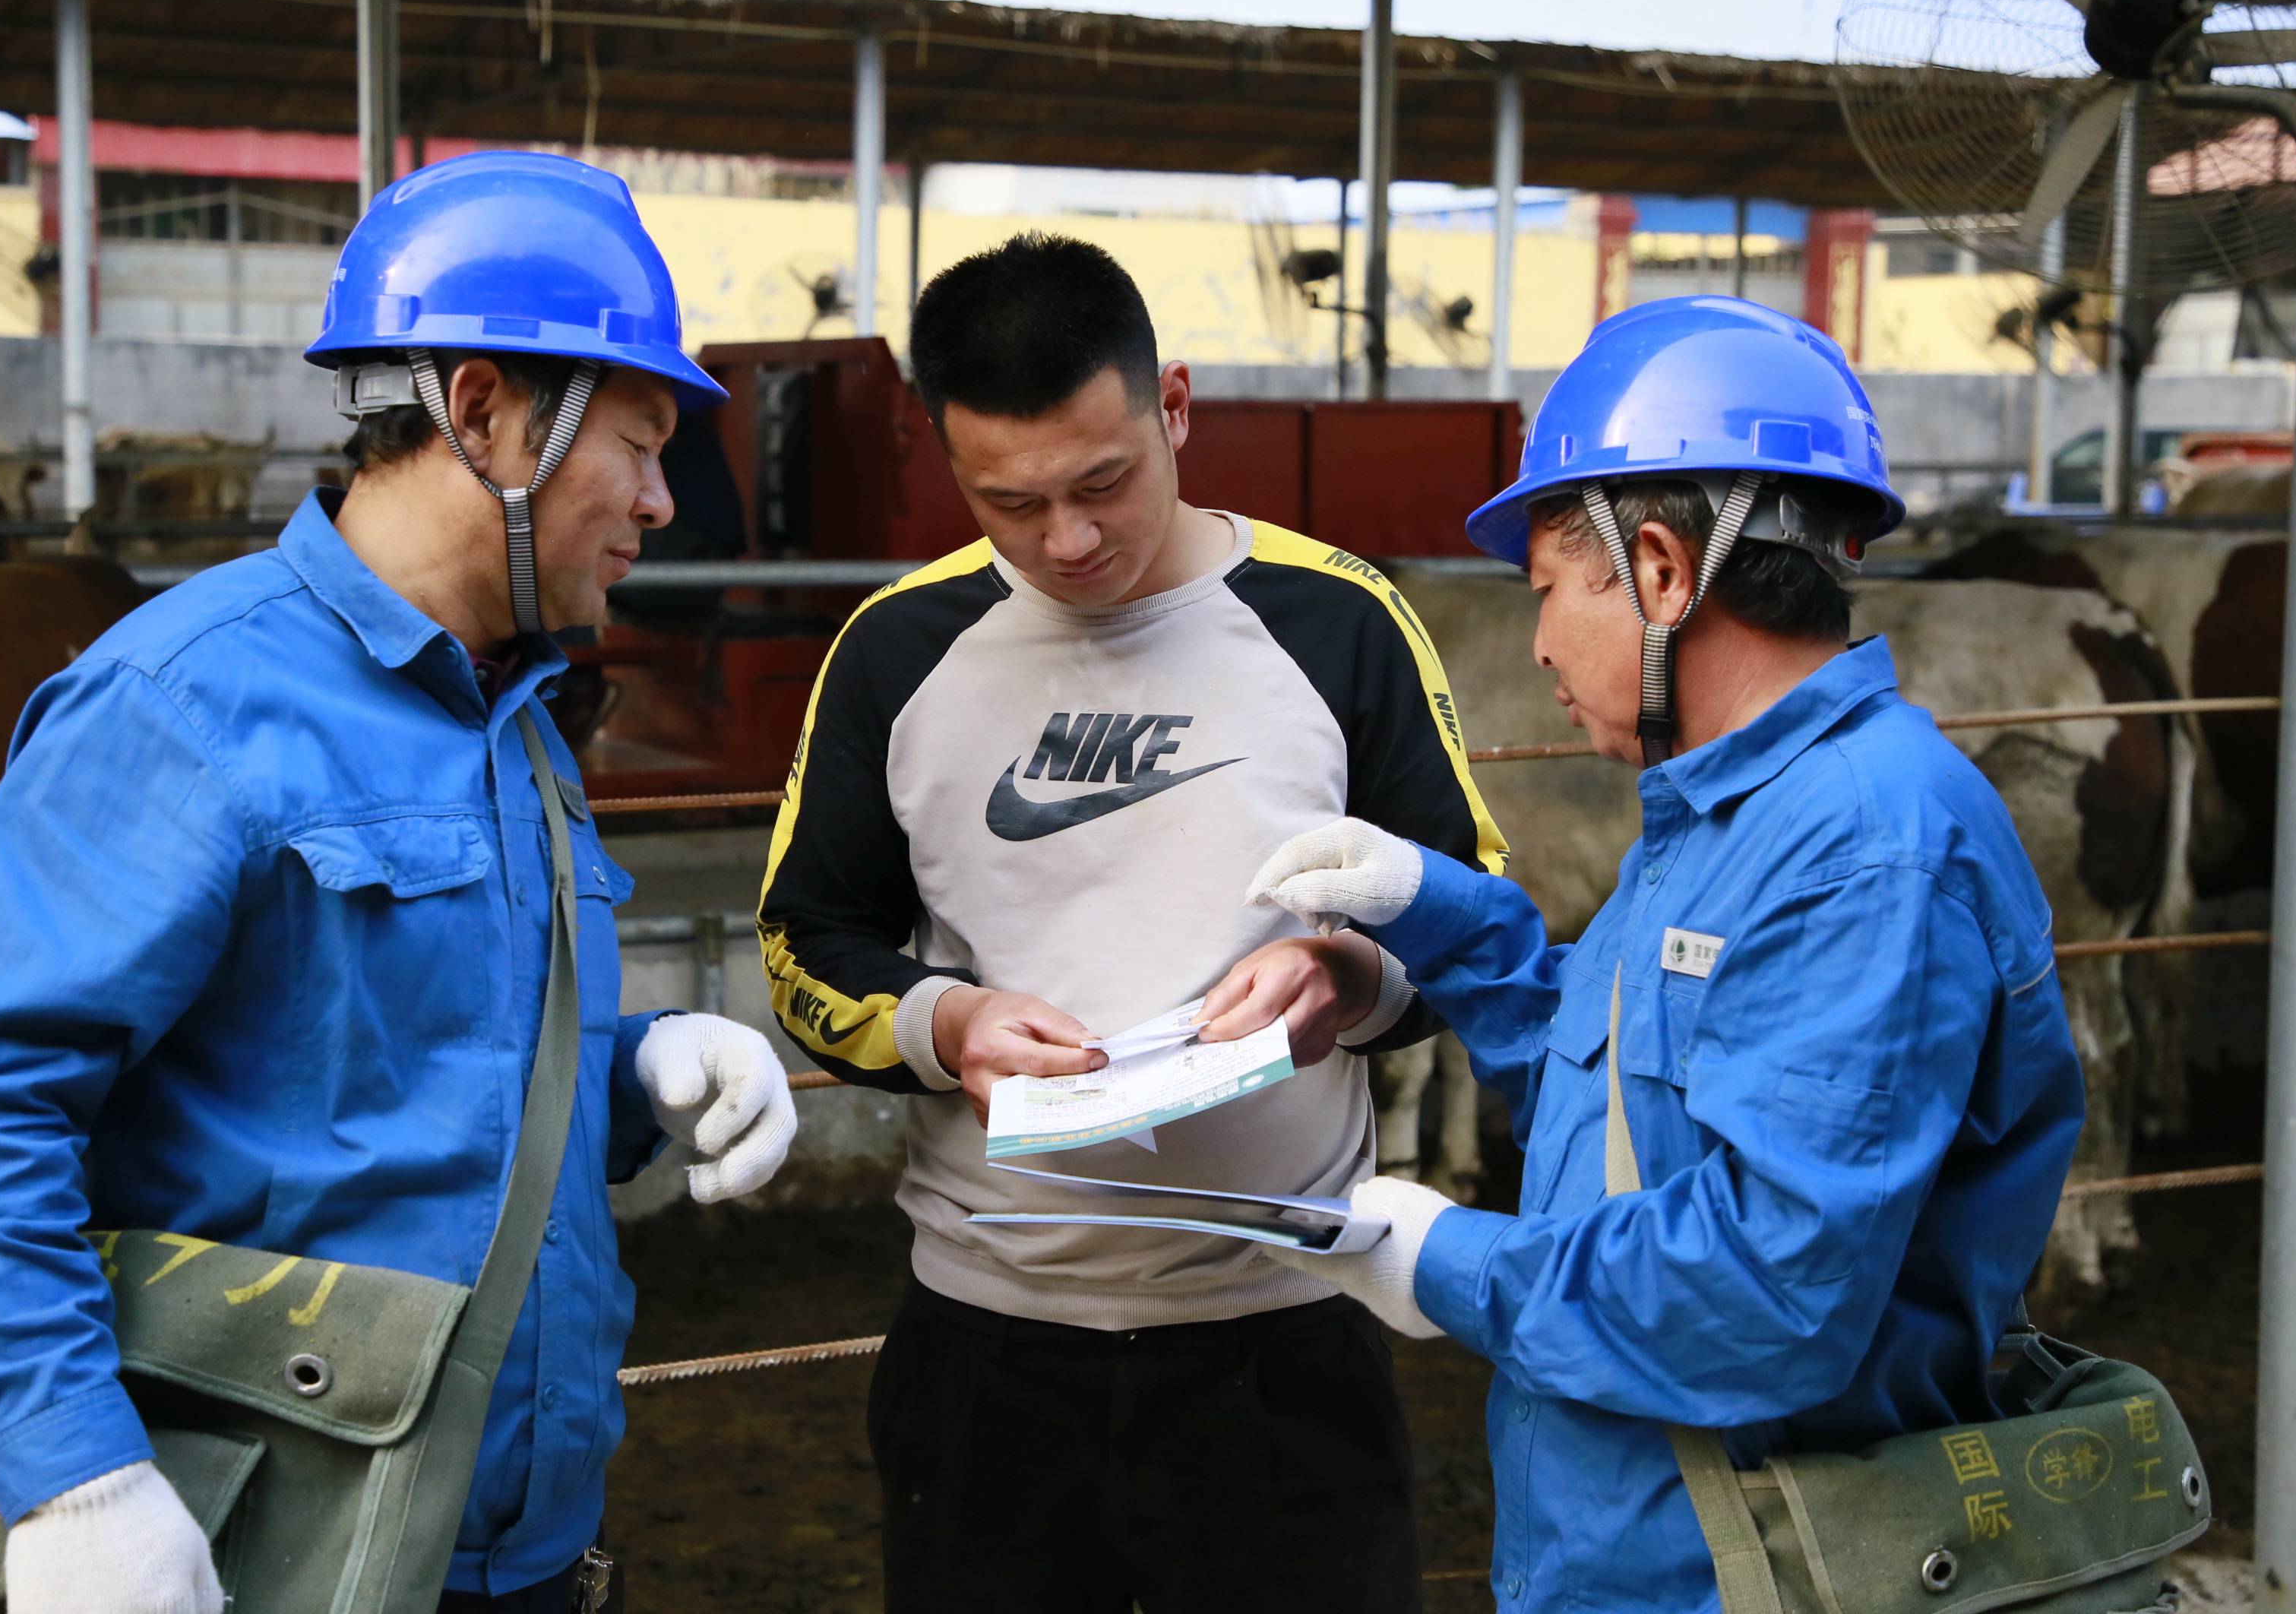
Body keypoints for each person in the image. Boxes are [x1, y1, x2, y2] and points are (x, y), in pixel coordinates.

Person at [0, 151, 799, 1614]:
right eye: (641, 442)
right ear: (483, 414)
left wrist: (634, 1073)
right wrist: (77, 1478)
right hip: (261, 1557)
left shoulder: (520, 727)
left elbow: (406, 1081)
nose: (665, 503)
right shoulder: (189, 703)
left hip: (512, 1556)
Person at [1246, 295, 2088, 1613]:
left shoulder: (1866, 850)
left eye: (1544, 590)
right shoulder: (1718, 813)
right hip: (1632, 1555)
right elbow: (1618, 1106)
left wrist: (1445, 1262)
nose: (1534, 644)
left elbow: (1768, 1288)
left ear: (1657, 571)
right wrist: (1437, 916)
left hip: (1751, 1575)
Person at [757, 233, 1507, 1614]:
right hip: (989, 1343)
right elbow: (807, 942)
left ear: (1173, 405)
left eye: (1104, 482)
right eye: (1011, 503)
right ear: (949, 461)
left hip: (1284, 1332)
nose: (1070, 541)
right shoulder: (894, 651)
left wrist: (1352, 976)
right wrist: (948, 1023)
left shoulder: (1339, 620)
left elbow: (1473, 922)